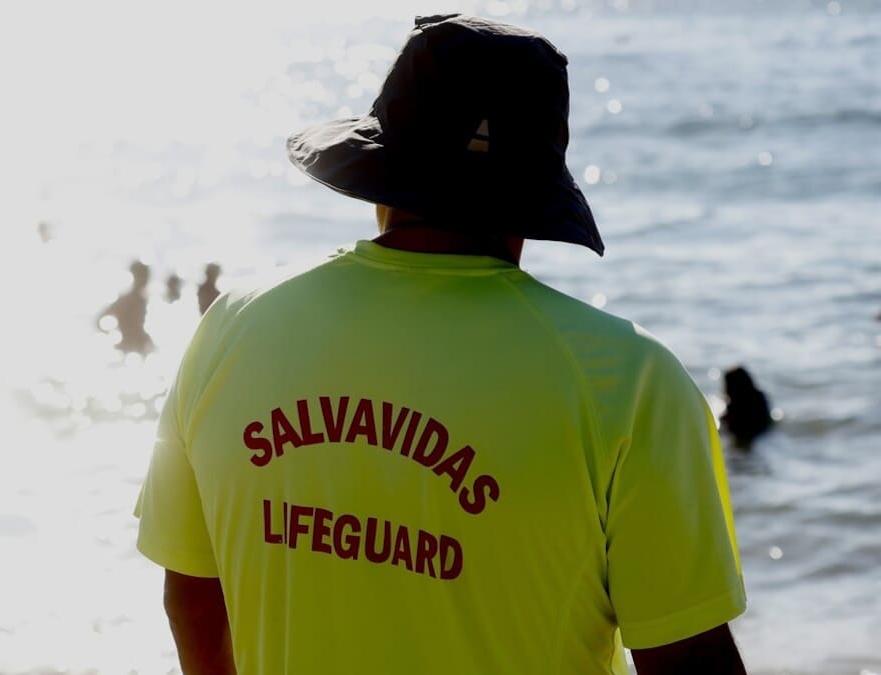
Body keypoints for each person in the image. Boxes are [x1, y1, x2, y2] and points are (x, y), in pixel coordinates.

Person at [134, 15, 746, 675]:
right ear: (531, 202)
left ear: (382, 175)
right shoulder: (627, 383)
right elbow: (690, 658)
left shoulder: (234, 329)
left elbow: (193, 597)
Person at [97, 260, 154, 354]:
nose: (145, 281)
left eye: (146, 277)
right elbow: (99, 321)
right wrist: (111, 337)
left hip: (137, 348)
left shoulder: (142, 300)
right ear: (135, 277)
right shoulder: (126, 301)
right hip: (127, 349)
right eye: (143, 277)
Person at [721, 365, 773, 448]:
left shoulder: (735, 405)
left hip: (743, 433)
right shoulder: (759, 396)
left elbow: (729, 424)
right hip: (761, 433)